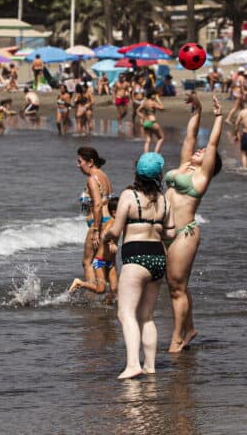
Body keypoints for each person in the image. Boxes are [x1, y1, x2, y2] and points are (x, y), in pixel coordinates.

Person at [103, 153, 175, 379]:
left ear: (137, 172)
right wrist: (155, 228)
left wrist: (106, 236)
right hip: (157, 258)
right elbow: (171, 233)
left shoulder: (129, 195)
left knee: (126, 314)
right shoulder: (164, 199)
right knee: (147, 316)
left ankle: (133, 364)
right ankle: (150, 366)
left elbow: (116, 230)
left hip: (136, 257)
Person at [164, 92, 223, 352]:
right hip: (164, 232)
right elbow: (190, 137)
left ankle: (178, 338)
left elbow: (211, 145)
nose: (198, 150)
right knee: (174, 286)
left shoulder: (201, 176)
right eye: (196, 151)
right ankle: (189, 328)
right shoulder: (185, 166)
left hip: (184, 233)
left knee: (177, 287)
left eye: (202, 153)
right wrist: (197, 110)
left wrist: (219, 116)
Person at [76, 147, 114, 285]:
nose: (78, 165)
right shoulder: (104, 176)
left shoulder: (92, 179)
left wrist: (96, 230)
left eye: (80, 161)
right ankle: (111, 295)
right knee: (106, 262)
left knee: (88, 262)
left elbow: (97, 205)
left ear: (90, 162)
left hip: (99, 223)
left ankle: (92, 298)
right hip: (110, 222)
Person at [69, 197, 119, 297]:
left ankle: (107, 308)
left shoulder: (119, 224)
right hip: (100, 261)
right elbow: (104, 234)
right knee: (101, 289)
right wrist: (111, 242)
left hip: (111, 262)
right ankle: (80, 283)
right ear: (114, 213)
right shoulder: (112, 223)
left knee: (114, 289)